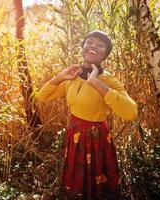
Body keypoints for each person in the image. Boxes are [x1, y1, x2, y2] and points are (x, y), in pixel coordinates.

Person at [36, 30, 138, 200]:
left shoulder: (109, 80)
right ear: (83, 47)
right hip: (75, 135)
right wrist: (61, 77)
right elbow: (42, 96)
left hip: (96, 138)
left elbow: (131, 112)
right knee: (77, 182)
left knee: (98, 186)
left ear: (105, 54)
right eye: (90, 42)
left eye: (100, 45)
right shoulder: (72, 76)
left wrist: (96, 83)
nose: (93, 46)